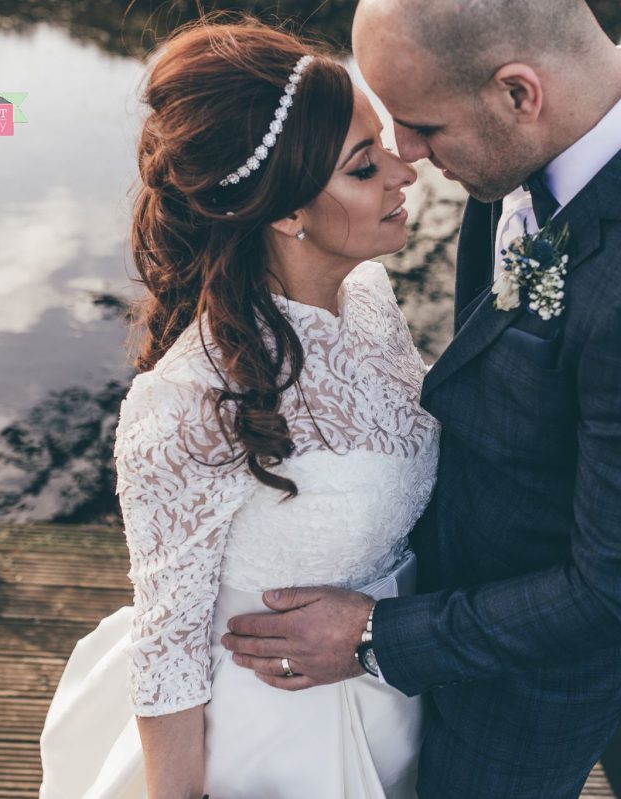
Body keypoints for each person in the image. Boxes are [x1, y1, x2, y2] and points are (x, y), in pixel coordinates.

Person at [221, 0, 621, 797]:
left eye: (421, 126)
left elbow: (615, 595)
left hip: (521, 694)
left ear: (519, 93)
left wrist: (374, 633)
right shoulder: (534, 141)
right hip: (430, 593)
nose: (408, 156)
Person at [37, 18, 437, 799]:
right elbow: (169, 645)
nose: (404, 172)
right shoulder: (188, 401)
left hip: (390, 688)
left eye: (383, 145)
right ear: (287, 213)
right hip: (269, 739)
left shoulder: (370, 301)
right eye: (365, 166)